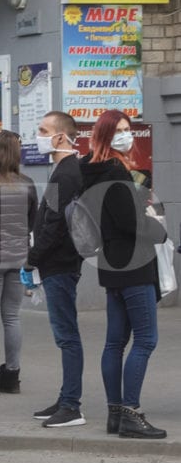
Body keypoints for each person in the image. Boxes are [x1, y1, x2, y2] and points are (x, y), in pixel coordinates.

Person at [79, 109, 168, 439]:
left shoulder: (93, 171)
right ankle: (131, 412)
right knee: (146, 339)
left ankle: (115, 414)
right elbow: (131, 224)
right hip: (134, 265)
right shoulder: (115, 172)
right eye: (118, 130)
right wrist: (156, 225)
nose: (126, 135)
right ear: (104, 136)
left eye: (127, 129)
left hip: (112, 264)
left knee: (115, 341)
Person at [25, 111, 87, 428]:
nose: (38, 135)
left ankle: (72, 405)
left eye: (43, 130)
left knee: (67, 336)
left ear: (61, 136)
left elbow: (54, 224)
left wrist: (32, 257)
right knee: (64, 335)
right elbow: (49, 216)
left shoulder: (67, 173)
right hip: (58, 264)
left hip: (60, 265)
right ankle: (65, 398)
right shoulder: (62, 169)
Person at [0, 131, 38, 396]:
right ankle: (12, 375)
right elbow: (33, 220)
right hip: (18, 258)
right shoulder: (28, 184)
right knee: (12, 317)